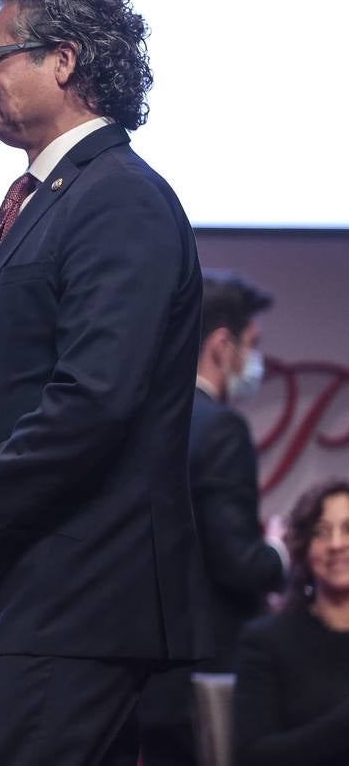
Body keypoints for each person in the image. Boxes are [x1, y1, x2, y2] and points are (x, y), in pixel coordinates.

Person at [0, 0, 209, 765]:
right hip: (36, 612)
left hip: (80, 613)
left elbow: (88, 405)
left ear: (63, 61)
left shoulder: (119, 199)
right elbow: (7, 418)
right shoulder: (57, 196)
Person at [139, 270, 287, 766]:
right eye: (251, 344)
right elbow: (235, 560)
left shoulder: (146, 418)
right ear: (222, 345)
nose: (255, 361)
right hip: (205, 675)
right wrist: (279, 551)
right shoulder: (221, 429)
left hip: (144, 672)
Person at [233, 479, 349, 766]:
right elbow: (254, 756)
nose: (336, 544)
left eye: (348, 530)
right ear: (304, 548)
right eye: (322, 533)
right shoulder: (267, 641)